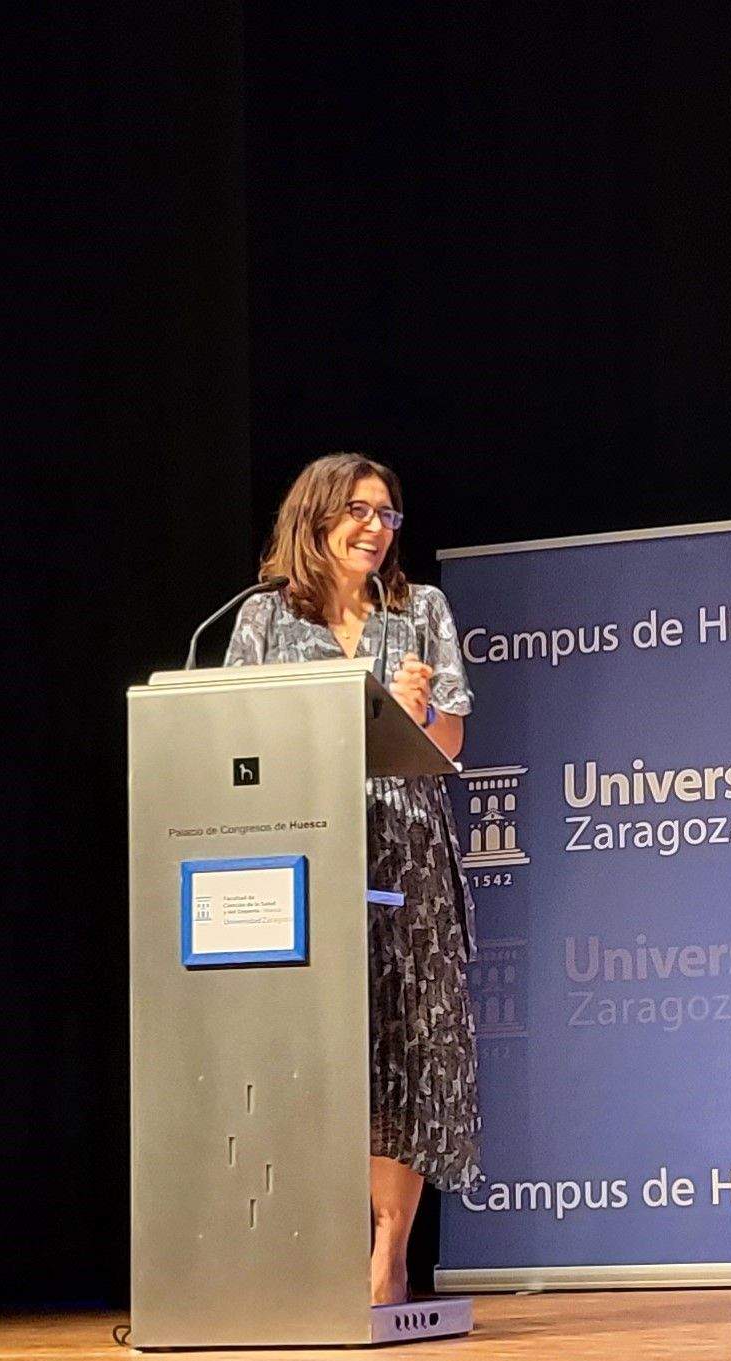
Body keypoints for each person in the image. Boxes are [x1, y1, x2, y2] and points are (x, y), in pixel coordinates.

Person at [226, 453, 478, 1307]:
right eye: (359, 511)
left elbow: (448, 748)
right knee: (310, 1049)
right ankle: (304, 1245)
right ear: (316, 517)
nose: (376, 527)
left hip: (404, 855)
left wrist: (418, 711)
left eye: (388, 515)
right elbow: (233, 741)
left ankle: (388, 1256)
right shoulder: (261, 620)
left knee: (405, 1052)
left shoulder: (420, 613)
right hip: (301, 856)